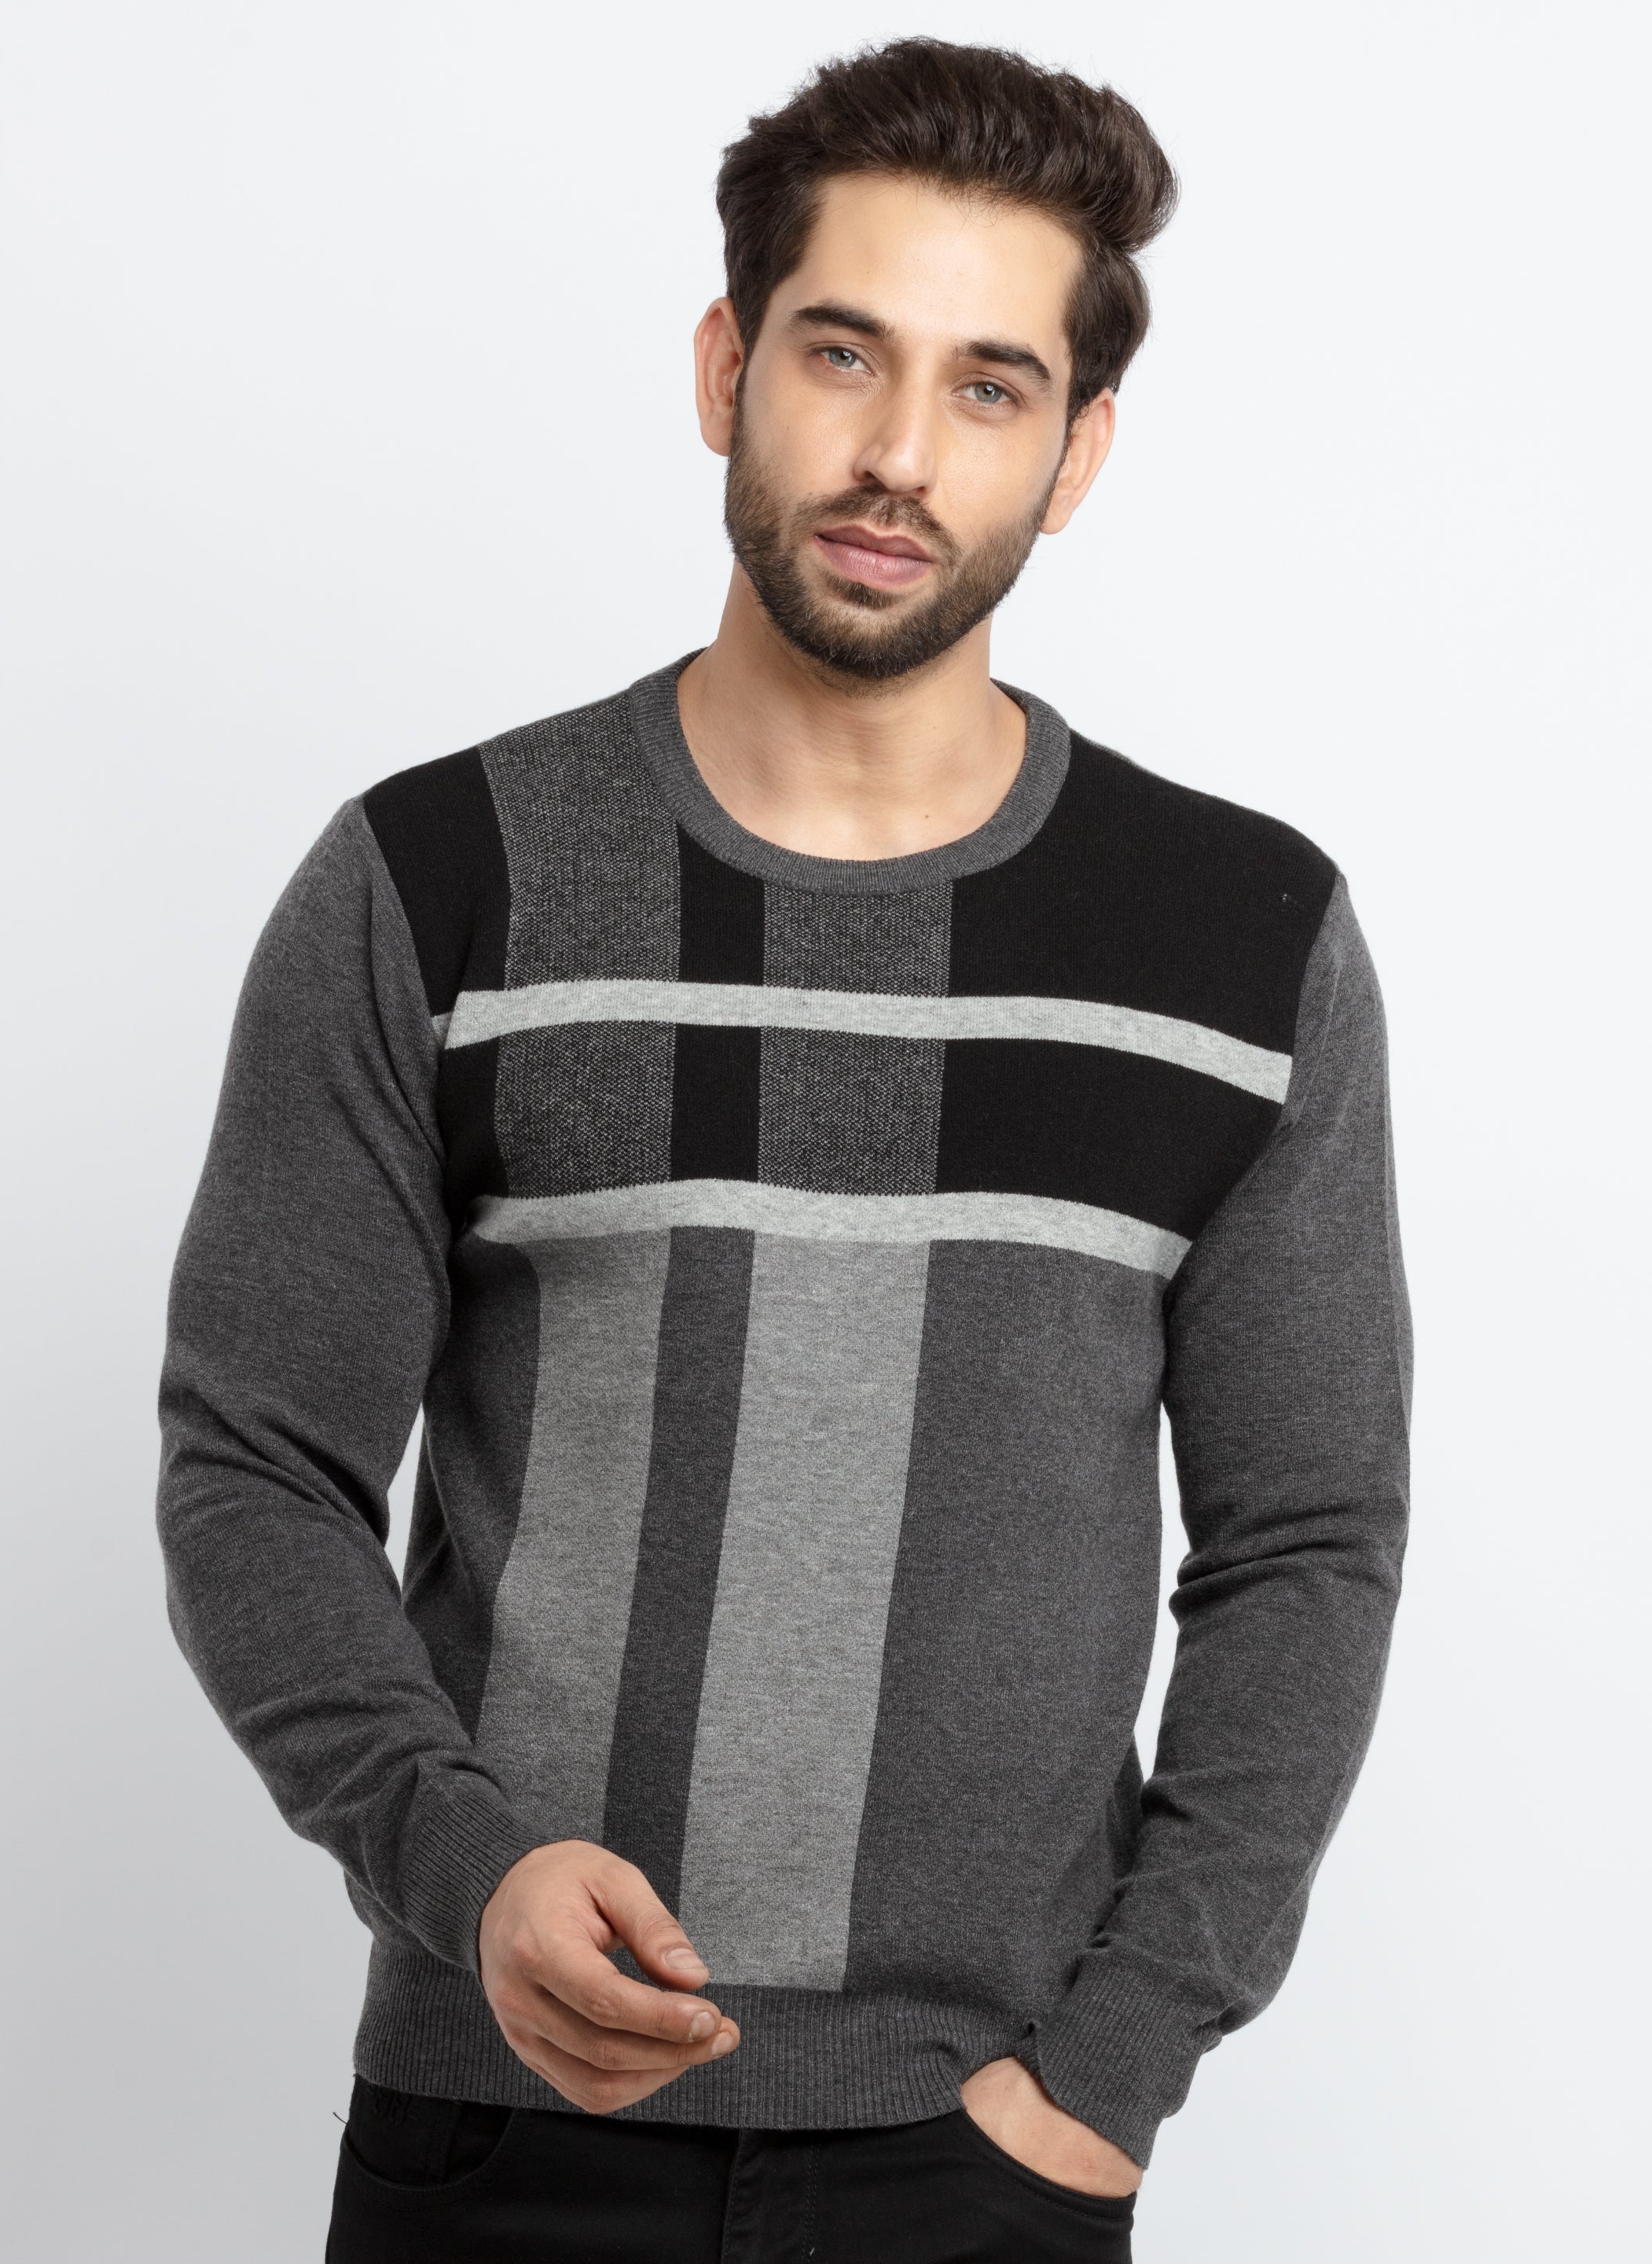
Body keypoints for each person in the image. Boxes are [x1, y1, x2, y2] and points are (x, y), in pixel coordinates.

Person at [156, 36, 1412, 2264]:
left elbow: (1305, 1547)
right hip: (493, 2135)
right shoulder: (436, 880)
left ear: (1079, 452)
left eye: (991, 387)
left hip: (987, 2155)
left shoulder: (1242, 938)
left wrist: (1111, 2075)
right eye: (844, 354)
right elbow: (255, 1464)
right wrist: (461, 1868)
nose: (901, 454)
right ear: (726, 367)